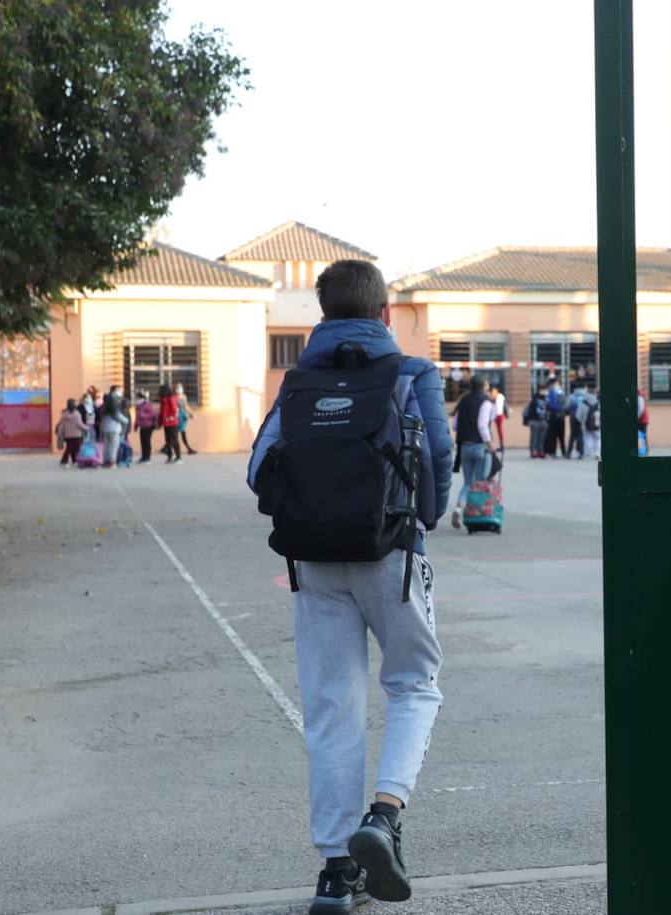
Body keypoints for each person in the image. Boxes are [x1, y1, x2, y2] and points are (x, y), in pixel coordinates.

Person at [247, 260, 451, 913]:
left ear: (322, 316)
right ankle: (384, 814)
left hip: (313, 559)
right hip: (389, 553)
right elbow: (438, 462)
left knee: (333, 704)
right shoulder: (412, 373)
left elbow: (259, 470)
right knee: (414, 682)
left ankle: (337, 871)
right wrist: (423, 520)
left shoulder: (298, 381)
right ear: (386, 314)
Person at [451, 374, 498, 528]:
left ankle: (459, 507)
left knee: (468, 482)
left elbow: (455, 425)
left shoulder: (463, 400)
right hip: (480, 446)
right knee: (481, 483)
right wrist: (489, 443)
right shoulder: (485, 402)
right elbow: (482, 425)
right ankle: (478, 515)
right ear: (484, 385)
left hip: (464, 447)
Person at [56, 399, 87, 466]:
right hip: (77, 435)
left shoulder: (64, 415)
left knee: (69, 448)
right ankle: (79, 460)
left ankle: (65, 460)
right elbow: (79, 424)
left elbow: (62, 425)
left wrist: (60, 433)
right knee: (78, 448)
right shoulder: (77, 414)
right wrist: (86, 428)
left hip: (68, 435)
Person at [159, 384, 182, 464]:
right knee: (168, 440)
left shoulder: (171, 397)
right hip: (166, 423)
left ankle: (179, 457)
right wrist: (161, 421)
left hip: (172, 422)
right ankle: (169, 457)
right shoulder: (163, 399)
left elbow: (174, 409)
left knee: (174, 439)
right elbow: (162, 411)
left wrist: (172, 418)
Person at [522, 388, 548, 458]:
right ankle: (533, 451)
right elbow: (528, 411)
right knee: (534, 438)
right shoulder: (534, 400)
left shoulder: (546, 399)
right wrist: (529, 420)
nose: (545, 392)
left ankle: (541, 451)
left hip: (543, 421)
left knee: (542, 438)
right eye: (543, 390)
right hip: (534, 421)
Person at [543, 377, 566, 457]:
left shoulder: (560, 392)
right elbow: (550, 404)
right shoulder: (550, 393)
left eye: (557, 384)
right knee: (553, 435)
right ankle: (553, 452)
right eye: (554, 384)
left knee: (561, 435)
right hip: (554, 415)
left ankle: (563, 452)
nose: (556, 385)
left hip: (559, 415)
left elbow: (563, 403)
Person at [134, 391, 158, 464]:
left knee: (147, 442)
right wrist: (136, 425)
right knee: (143, 442)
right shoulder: (138, 406)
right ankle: (143, 457)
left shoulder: (147, 404)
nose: (136, 398)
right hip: (142, 426)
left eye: (137, 397)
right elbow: (137, 416)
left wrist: (144, 416)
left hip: (148, 425)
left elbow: (153, 414)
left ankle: (147, 458)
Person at [175, 383, 197, 455]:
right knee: (176, 434)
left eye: (180, 387)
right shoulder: (174, 397)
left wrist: (191, 413)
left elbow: (186, 406)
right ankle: (188, 449)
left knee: (180, 434)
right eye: (178, 387)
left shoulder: (184, 396)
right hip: (177, 416)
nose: (179, 388)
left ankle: (188, 449)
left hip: (183, 416)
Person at [565, 385, 586, 458]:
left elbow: (566, 407)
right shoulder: (585, 396)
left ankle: (568, 453)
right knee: (580, 435)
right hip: (582, 416)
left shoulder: (571, 396)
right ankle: (581, 453)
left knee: (572, 435)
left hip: (573, 416)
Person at [488, 383, 508, 452]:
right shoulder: (498, 396)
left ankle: (501, 445)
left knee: (499, 430)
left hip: (498, 415)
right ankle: (500, 445)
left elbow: (497, 407)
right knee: (497, 430)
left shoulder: (498, 396)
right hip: (496, 415)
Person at [581, 387, 600, 458]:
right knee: (598, 438)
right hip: (596, 423)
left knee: (587, 438)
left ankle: (588, 453)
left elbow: (578, 415)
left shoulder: (584, 402)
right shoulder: (598, 401)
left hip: (585, 423)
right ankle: (597, 452)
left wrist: (582, 421)